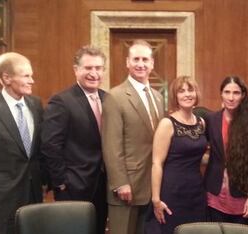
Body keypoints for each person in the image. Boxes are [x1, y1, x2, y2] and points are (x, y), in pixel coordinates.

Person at [40, 45, 108, 234]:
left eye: (98, 68)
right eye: (88, 68)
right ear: (76, 69)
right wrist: (60, 182)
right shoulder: (61, 101)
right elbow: (50, 144)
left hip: (104, 186)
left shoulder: (108, 99)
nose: (93, 73)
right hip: (73, 186)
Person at [0, 52, 44, 233]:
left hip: (33, 193)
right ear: (6, 78)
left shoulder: (36, 105)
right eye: (26, 76)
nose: (32, 81)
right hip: (0, 200)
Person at [102, 39, 165, 234]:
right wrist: (120, 183)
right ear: (127, 62)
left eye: (145, 59)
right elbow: (112, 146)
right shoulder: (115, 96)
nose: (140, 64)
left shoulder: (158, 97)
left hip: (152, 186)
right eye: (135, 59)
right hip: (126, 187)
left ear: (152, 63)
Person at [147, 75, 208, 234]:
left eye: (190, 90)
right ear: (175, 96)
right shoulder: (167, 124)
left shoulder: (201, 122)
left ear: (196, 94)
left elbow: (197, 156)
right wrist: (156, 199)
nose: (187, 94)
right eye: (181, 91)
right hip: (172, 191)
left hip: (196, 191)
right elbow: (156, 163)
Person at [204, 76, 248, 224]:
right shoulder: (212, 119)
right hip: (214, 193)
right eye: (227, 92)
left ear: (243, 95)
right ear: (221, 94)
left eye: (236, 93)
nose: (231, 97)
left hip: (242, 194)